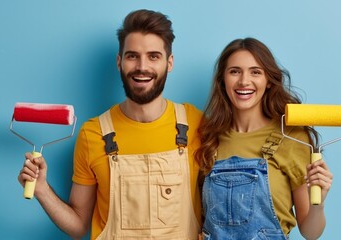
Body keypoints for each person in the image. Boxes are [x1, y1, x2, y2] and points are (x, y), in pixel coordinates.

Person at [18, 9, 203, 239]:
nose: (142, 67)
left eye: (153, 56)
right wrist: (42, 189)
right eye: (132, 55)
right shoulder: (93, 133)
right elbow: (78, 226)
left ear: (170, 62)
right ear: (119, 61)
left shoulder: (195, 123)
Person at [195, 38, 333, 240]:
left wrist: (318, 204)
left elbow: (311, 233)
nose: (244, 81)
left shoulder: (293, 138)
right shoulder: (207, 138)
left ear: (268, 81)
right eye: (234, 71)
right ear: (222, 80)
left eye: (255, 72)